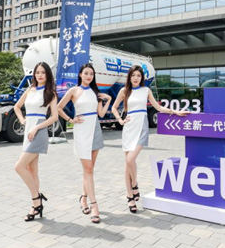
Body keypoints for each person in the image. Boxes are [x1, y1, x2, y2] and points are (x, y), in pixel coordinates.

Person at [112, 65, 188, 213]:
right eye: (133, 75)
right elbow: (114, 108)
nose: (135, 78)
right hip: (128, 128)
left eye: (138, 76)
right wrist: (120, 120)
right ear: (129, 77)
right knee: (127, 164)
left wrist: (175, 112)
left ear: (142, 78)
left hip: (141, 127)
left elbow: (159, 108)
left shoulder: (146, 90)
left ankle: (134, 184)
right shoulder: (124, 91)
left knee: (130, 160)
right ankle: (130, 197)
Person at [57, 63, 111, 224]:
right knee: (88, 169)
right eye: (86, 73)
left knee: (89, 170)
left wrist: (108, 100)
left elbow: (101, 113)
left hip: (95, 130)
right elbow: (58, 107)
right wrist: (70, 119)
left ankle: (83, 198)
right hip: (81, 131)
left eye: (91, 74)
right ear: (80, 74)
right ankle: (95, 206)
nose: (89, 76)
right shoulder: (74, 91)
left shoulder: (95, 92)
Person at [13, 62, 59, 222]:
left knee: (19, 167)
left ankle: (36, 200)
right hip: (29, 130)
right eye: (37, 72)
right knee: (32, 170)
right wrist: (22, 120)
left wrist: (36, 127)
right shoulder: (29, 90)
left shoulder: (50, 93)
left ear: (47, 75)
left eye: (43, 73)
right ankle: (36, 206)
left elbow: (54, 117)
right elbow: (17, 107)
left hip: (39, 131)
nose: (40, 75)